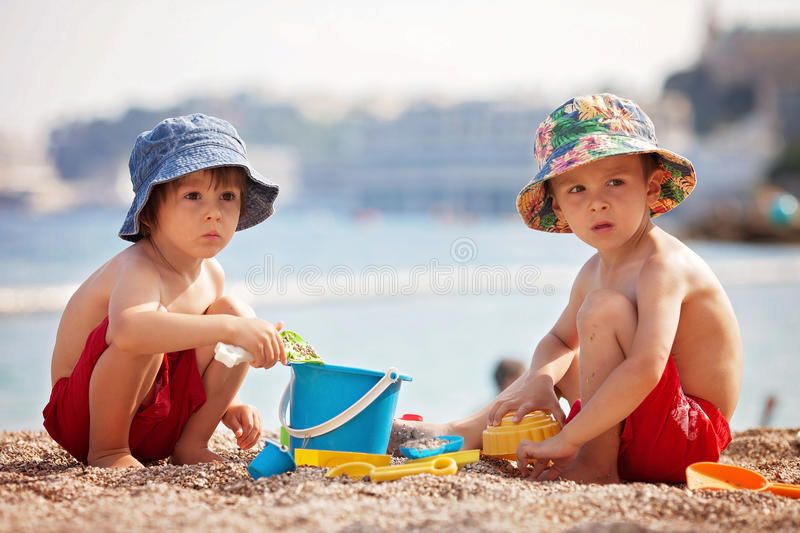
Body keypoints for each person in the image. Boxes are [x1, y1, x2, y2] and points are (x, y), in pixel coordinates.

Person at [393, 94, 742, 484]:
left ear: (651, 187)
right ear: (558, 207)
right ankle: (463, 432)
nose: (598, 203)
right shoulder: (594, 270)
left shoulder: (663, 265)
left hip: (688, 438)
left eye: (615, 182)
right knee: (558, 360)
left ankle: (595, 463)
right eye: (577, 190)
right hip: (641, 427)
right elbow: (559, 339)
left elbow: (646, 368)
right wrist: (540, 380)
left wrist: (570, 439)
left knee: (602, 312)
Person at [43, 114, 283, 468]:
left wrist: (225, 406)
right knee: (148, 332)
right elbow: (129, 331)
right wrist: (232, 330)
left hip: (158, 416)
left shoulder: (211, 275)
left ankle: (191, 443)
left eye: (227, 196)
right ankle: (109, 452)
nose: (213, 212)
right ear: (151, 213)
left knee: (237, 312)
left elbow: (194, 354)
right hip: (88, 418)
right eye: (193, 196)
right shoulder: (139, 266)